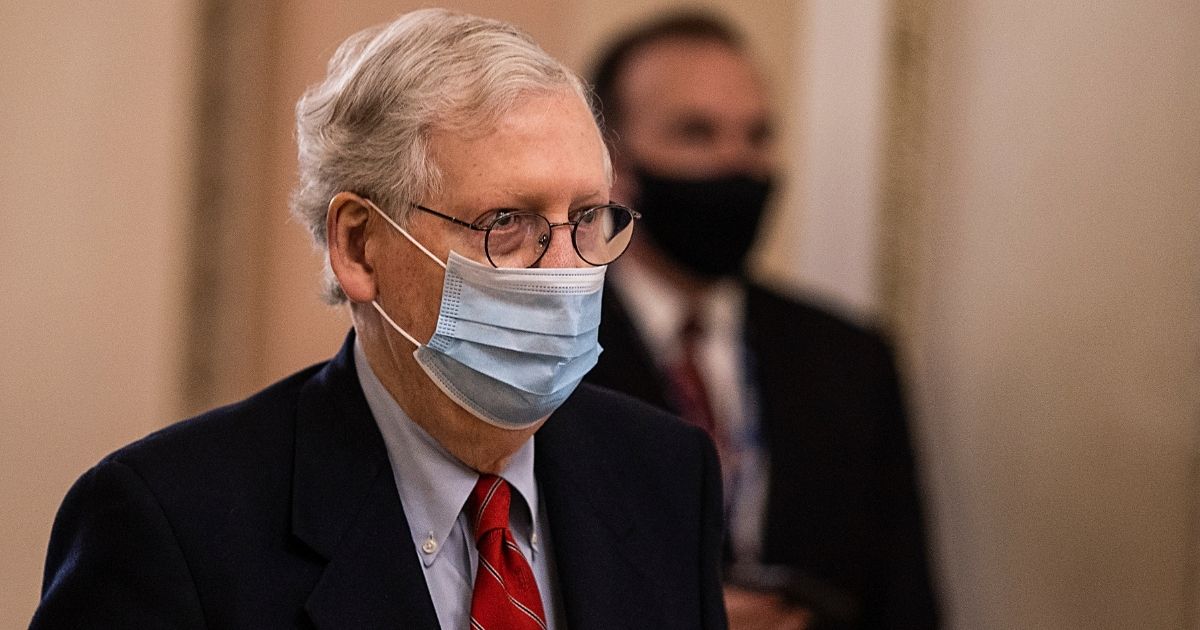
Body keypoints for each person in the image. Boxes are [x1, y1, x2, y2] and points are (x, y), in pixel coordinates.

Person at [31, 9, 726, 629]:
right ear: (360, 246)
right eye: (505, 222)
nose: (563, 270)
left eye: (583, 219)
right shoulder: (174, 522)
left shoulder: (663, 471)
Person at [584, 12, 939, 629]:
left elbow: (905, 599)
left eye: (757, 136)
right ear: (612, 162)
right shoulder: (548, 352)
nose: (736, 163)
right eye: (697, 134)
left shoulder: (851, 358)